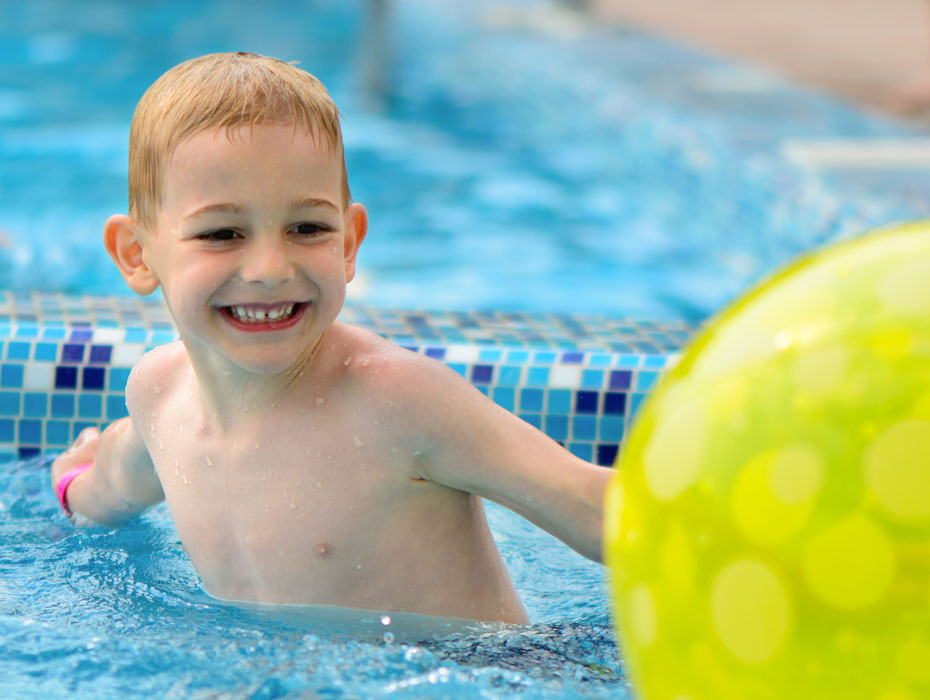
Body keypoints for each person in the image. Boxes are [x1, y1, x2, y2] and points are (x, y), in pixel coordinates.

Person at [49, 52, 613, 625]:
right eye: (223, 233)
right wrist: (73, 487)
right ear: (137, 255)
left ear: (348, 244)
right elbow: (117, 481)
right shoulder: (157, 394)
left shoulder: (397, 402)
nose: (270, 267)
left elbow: (592, 509)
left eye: (307, 228)